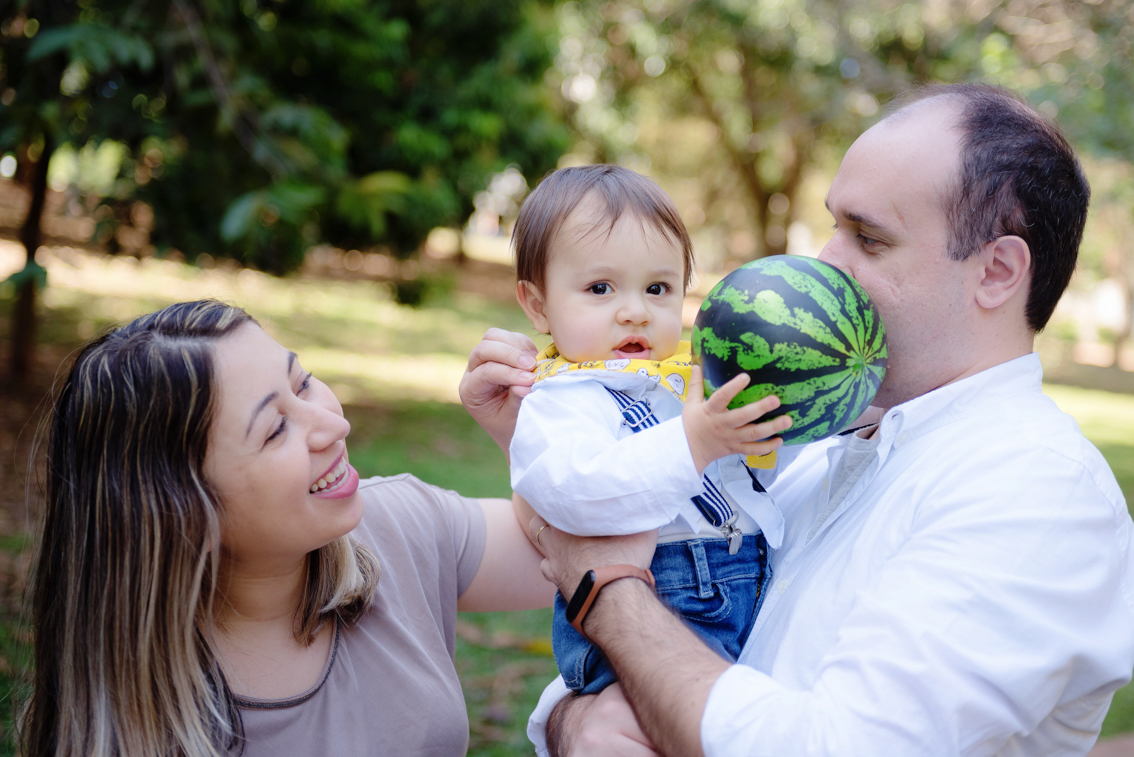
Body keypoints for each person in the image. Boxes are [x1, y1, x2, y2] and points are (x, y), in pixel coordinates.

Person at [458, 83, 1134, 756]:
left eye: (869, 239)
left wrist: (607, 596)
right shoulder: (819, 434)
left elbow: (829, 745)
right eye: (835, 225)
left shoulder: (1038, 494)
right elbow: (650, 562)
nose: (826, 259)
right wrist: (569, 718)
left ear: (996, 272)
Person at [22, 299, 553, 757]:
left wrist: (520, 437)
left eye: (303, 382)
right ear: (180, 510)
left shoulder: (398, 523)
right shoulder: (141, 731)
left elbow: (556, 558)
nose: (334, 425)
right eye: (276, 428)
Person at [507, 164, 793, 696]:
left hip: (741, 584)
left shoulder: (684, 379)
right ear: (538, 304)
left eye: (658, 288)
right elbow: (579, 491)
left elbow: (756, 471)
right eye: (600, 288)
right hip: (661, 598)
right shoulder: (559, 401)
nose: (635, 312)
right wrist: (694, 442)